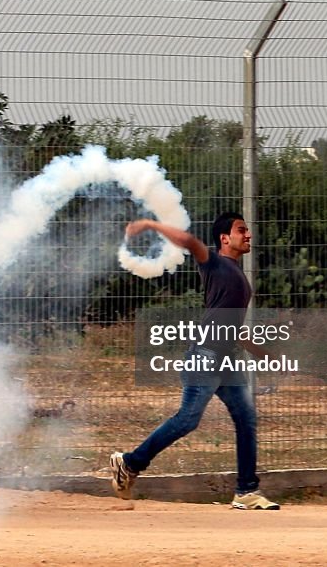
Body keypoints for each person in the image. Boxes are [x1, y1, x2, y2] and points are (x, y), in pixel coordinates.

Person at [109, 211, 280, 510]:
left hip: (225, 360)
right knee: (188, 419)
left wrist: (262, 352)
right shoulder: (214, 263)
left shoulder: (238, 276)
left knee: (246, 418)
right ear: (224, 238)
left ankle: (246, 491)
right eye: (242, 230)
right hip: (206, 356)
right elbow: (188, 240)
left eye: (248, 230)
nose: (248, 235)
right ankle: (130, 462)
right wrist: (148, 224)